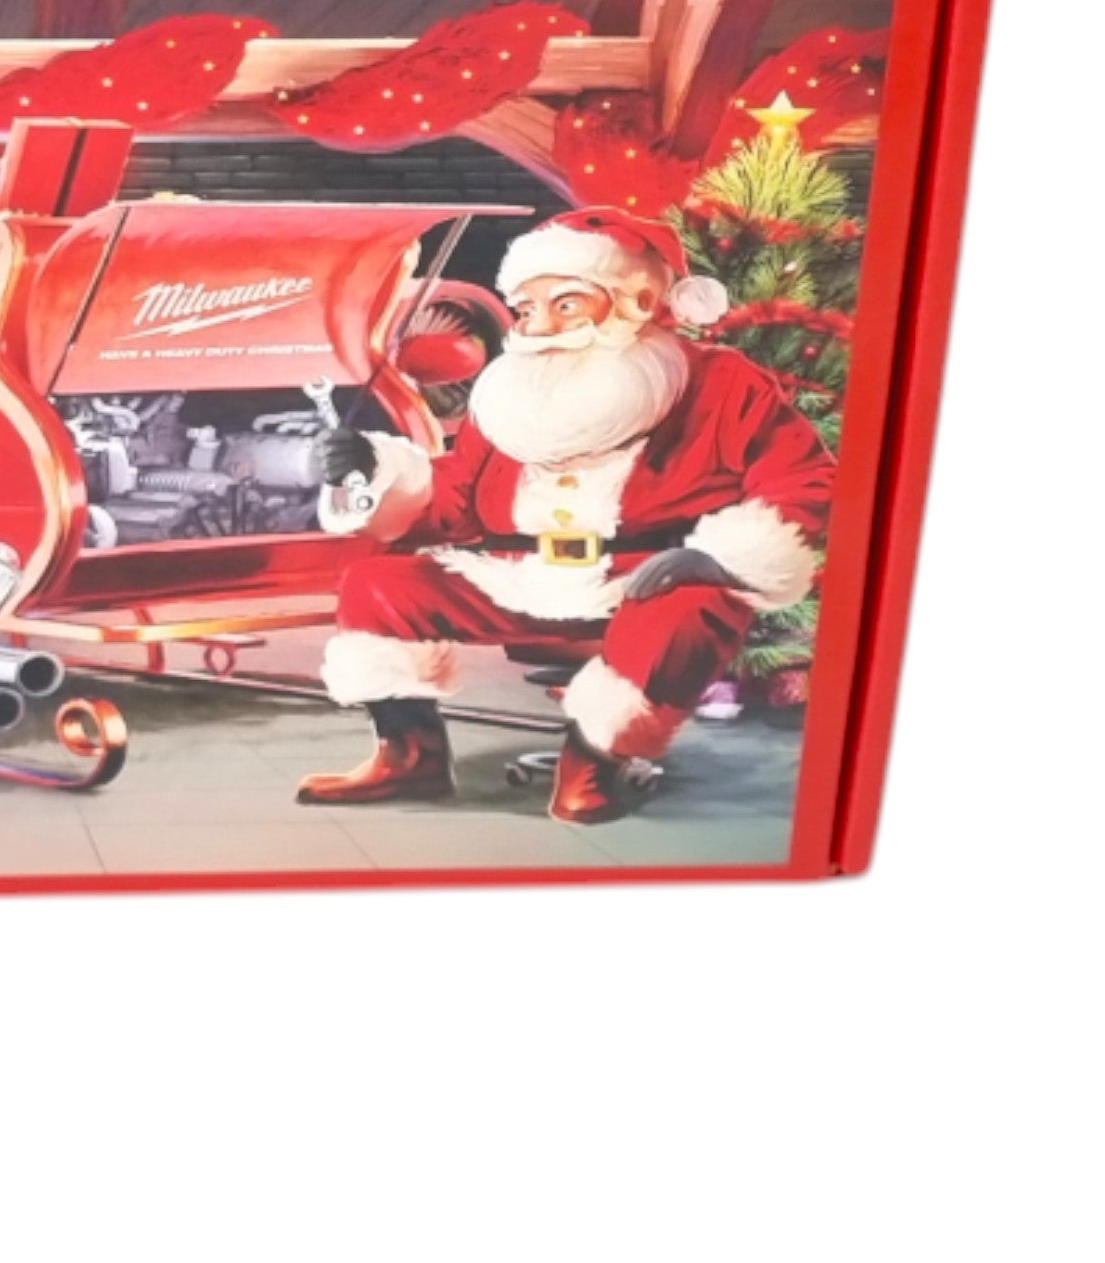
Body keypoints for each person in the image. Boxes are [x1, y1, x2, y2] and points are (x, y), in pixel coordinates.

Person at [300, 207, 835, 822]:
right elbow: (452, 503)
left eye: (568, 304)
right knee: (378, 584)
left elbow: (803, 476)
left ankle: (593, 764)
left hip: (642, 580)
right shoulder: (514, 395)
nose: (543, 325)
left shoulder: (716, 381)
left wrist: (718, 558)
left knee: (687, 608)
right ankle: (408, 754)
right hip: (515, 575)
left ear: (635, 302)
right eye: (528, 308)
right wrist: (372, 469)